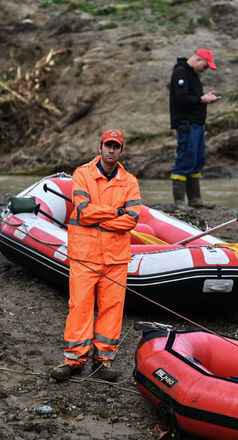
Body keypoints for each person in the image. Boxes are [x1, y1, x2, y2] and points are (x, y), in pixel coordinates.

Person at [51, 129, 141, 382]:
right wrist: (116, 212)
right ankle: (74, 359)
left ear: (122, 151)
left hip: (115, 258)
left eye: (116, 146)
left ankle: (104, 360)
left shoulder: (130, 181)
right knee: (79, 306)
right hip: (84, 255)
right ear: (99, 148)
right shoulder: (82, 174)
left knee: (112, 309)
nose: (111, 150)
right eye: (107, 145)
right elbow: (83, 212)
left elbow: (132, 219)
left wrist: (99, 218)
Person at [169, 48, 219, 208]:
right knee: (185, 158)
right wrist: (202, 99)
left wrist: (205, 98)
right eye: (205, 66)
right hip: (187, 125)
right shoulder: (181, 72)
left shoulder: (193, 74)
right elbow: (182, 98)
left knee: (197, 159)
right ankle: (179, 201)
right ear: (198, 60)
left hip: (197, 124)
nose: (205, 70)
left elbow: (194, 98)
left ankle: (195, 198)